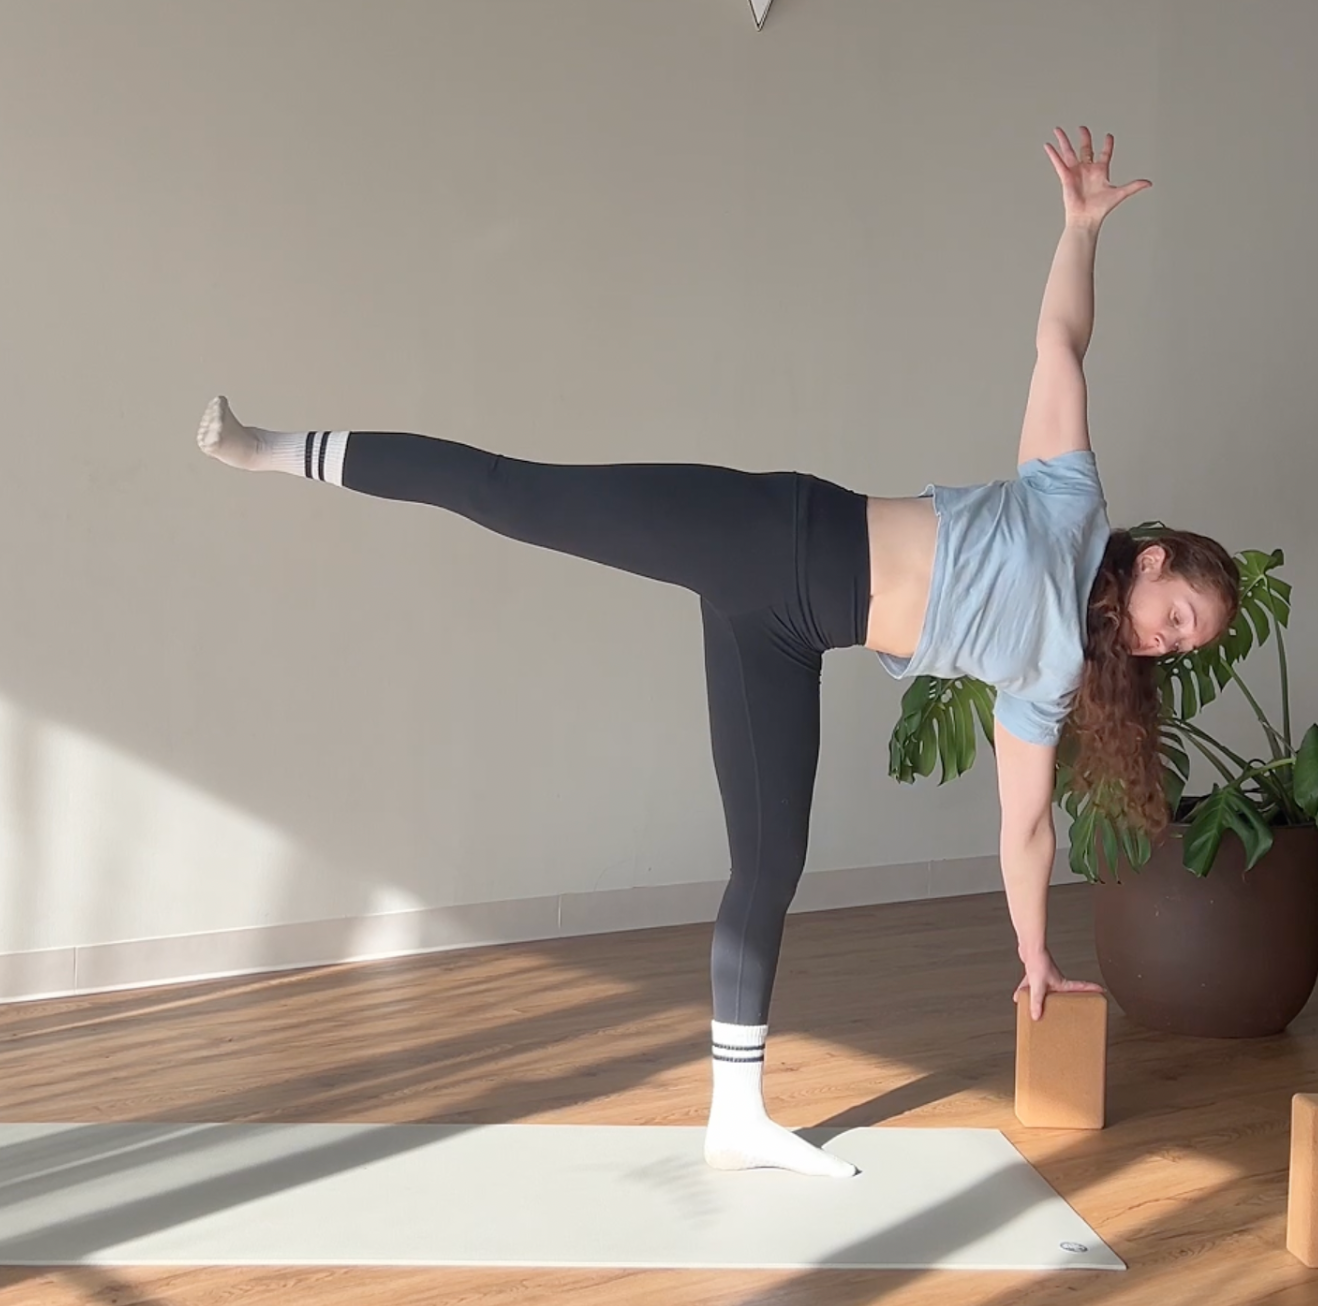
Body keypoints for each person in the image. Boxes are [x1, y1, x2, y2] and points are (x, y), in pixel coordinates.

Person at [195, 128, 1239, 1177]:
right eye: (1180, 612)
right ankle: (270, 450)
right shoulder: (1069, 507)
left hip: (785, 639)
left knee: (769, 862)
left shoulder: (1055, 677)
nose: (1169, 641)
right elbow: (1060, 345)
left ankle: (735, 1116)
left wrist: (1034, 954)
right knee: (515, 492)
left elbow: (1024, 828)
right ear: (1152, 562)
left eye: (1184, 643)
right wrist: (1079, 230)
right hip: (770, 530)